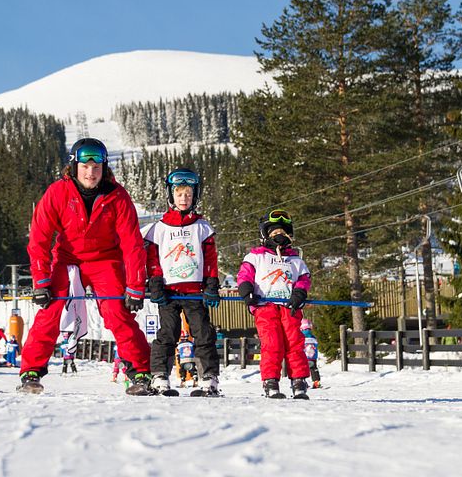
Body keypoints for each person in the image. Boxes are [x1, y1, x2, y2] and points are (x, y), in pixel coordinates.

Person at [22, 137, 151, 395]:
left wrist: (135, 286)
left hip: (106, 260)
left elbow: (132, 243)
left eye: (96, 167)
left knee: (117, 311)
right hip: (68, 260)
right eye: (85, 166)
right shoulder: (58, 192)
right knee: (50, 309)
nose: (91, 172)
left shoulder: (117, 196)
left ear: (104, 168)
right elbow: (39, 238)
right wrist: (41, 281)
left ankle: (140, 371)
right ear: (74, 166)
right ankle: (31, 370)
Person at [143, 167, 221, 396]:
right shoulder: (159, 228)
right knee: (168, 333)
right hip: (168, 292)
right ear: (171, 195)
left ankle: (209, 377)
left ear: (195, 196)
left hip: (194, 291)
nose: (184, 198)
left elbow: (210, 259)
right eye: (179, 194)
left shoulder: (202, 227)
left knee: (203, 333)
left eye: (188, 194)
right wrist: (154, 281)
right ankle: (159, 376)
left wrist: (211, 284)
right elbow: (153, 259)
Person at [237, 209, 311, 399]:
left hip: (289, 307)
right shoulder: (256, 256)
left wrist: (299, 293)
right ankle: (271, 381)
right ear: (265, 235)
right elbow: (245, 275)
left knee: (294, 342)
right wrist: (247, 293)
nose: (279, 236)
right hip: (265, 307)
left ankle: (299, 380)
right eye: (274, 233)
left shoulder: (295, 259)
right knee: (272, 343)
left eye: (283, 233)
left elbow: (304, 279)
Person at [301, 318, 321, 389]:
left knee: (301, 369)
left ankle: (302, 382)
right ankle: (316, 381)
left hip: (303, 356)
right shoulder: (313, 337)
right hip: (312, 356)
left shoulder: (301, 336)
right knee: (313, 368)